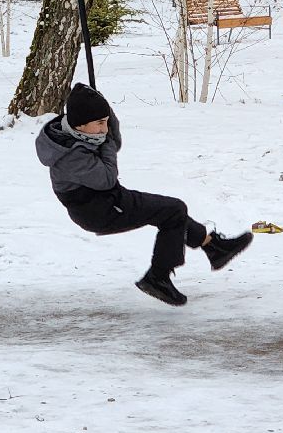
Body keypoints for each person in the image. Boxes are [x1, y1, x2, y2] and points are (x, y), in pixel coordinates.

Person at [35, 83, 254, 306]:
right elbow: (107, 177)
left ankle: (212, 247)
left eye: (106, 122)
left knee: (170, 212)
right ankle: (158, 277)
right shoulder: (69, 157)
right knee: (173, 210)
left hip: (108, 200)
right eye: (100, 124)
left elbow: (114, 141)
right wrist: (107, 142)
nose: (104, 128)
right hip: (99, 210)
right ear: (79, 125)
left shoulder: (79, 133)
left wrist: (107, 116)